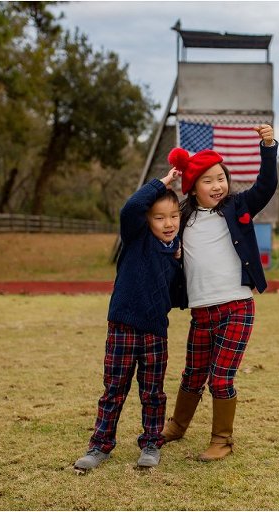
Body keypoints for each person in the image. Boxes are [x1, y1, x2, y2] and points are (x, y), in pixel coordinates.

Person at [160, 124, 277, 462]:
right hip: (201, 312)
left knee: (221, 377)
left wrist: (268, 147)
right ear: (192, 187)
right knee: (193, 374)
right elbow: (152, 219)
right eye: (207, 180)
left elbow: (267, 185)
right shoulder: (182, 218)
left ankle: (222, 440)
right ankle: (177, 426)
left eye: (221, 178)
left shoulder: (238, 207)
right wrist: (161, 186)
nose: (217, 186)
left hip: (237, 307)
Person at [74, 167, 184, 472]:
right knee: (114, 390)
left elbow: (178, 295)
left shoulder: (177, 252)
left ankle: (151, 443)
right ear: (147, 220)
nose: (168, 223)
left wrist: (179, 258)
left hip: (155, 332)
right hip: (123, 326)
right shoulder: (136, 237)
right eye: (159, 218)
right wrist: (163, 182)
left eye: (174, 216)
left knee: (153, 392)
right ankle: (100, 445)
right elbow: (131, 207)